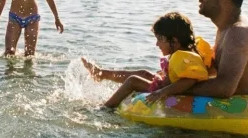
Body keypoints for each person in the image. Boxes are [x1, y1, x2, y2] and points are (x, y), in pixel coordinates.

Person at [83, 12, 214, 109]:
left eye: (159, 39)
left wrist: (161, 92)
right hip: (164, 85)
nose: (157, 44)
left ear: (174, 41)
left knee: (133, 81)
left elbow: (188, 81)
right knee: (143, 73)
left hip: (166, 90)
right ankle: (101, 74)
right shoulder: (183, 53)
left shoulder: (183, 56)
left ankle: (105, 108)